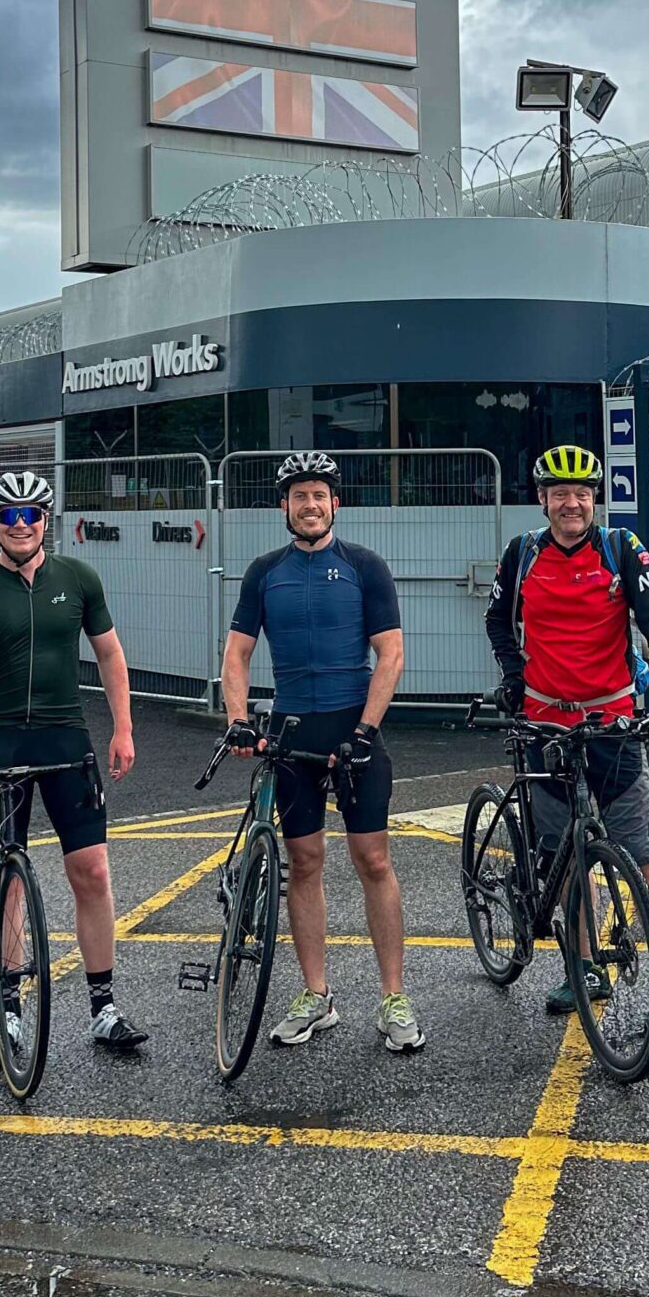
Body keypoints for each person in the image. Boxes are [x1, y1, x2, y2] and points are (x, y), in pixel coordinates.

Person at [0, 469, 147, 1063]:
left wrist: (124, 728)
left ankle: (102, 1007)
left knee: (93, 873)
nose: (21, 525)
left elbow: (110, 653)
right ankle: (10, 1013)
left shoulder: (77, 578)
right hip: (0, 745)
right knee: (7, 881)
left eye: (31, 515)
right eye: (8, 516)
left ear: (46, 519)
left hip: (66, 742)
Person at [485, 443, 649, 1038]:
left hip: (613, 725)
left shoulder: (620, 549)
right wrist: (512, 675)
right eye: (560, 492)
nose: (571, 502)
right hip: (545, 724)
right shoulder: (522, 554)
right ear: (543, 499)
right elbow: (498, 620)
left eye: (582, 492)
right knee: (562, 855)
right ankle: (582, 965)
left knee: (642, 854)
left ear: (594, 499)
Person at [221, 450, 421, 1054]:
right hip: (291, 732)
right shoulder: (264, 572)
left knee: (374, 861)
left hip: (352, 727)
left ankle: (393, 997)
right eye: (299, 495)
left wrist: (365, 730)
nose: (310, 505)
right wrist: (236, 719)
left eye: (320, 495)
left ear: (336, 503)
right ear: (283, 505)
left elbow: (390, 653)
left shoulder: (365, 566)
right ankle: (317, 995)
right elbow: (236, 654)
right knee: (303, 863)